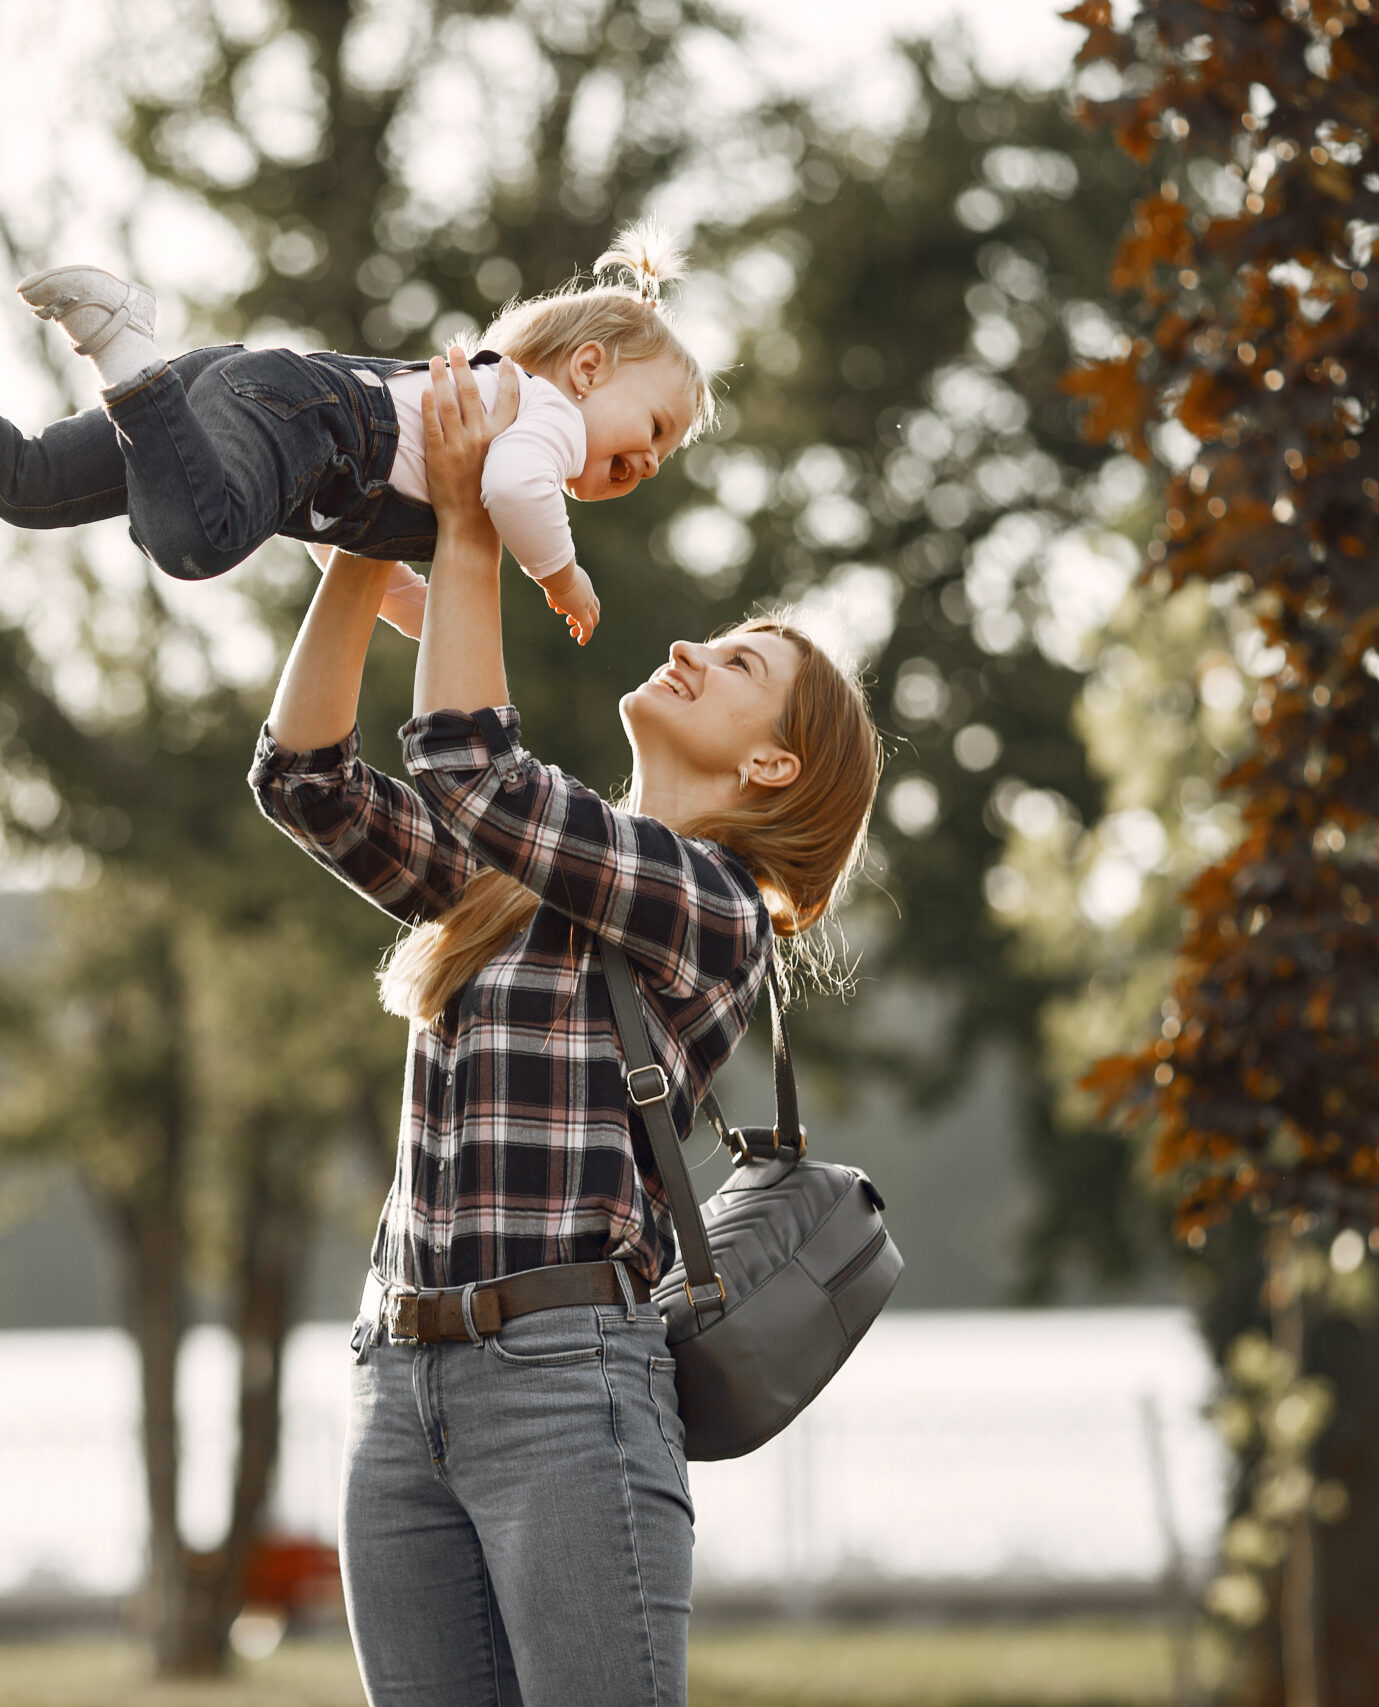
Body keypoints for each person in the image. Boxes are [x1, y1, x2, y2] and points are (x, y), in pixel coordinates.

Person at [249, 349, 882, 1707]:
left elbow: (472, 768)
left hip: (562, 1384)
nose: (688, 650)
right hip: (399, 1372)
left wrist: (471, 523)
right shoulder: (532, 870)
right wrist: (375, 538)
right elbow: (305, 782)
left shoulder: (712, 906)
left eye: (739, 663)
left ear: (772, 764)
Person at [0, 227, 718, 646]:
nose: (643, 464)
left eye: (655, 464)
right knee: (193, 539)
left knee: (33, 485)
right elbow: (510, 491)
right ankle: (123, 348)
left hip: (258, 395)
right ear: (587, 371)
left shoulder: (472, 414)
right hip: (287, 408)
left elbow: (331, 502)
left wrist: (398, 593)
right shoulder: (535, 418)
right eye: (652, 431)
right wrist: (560, 576)